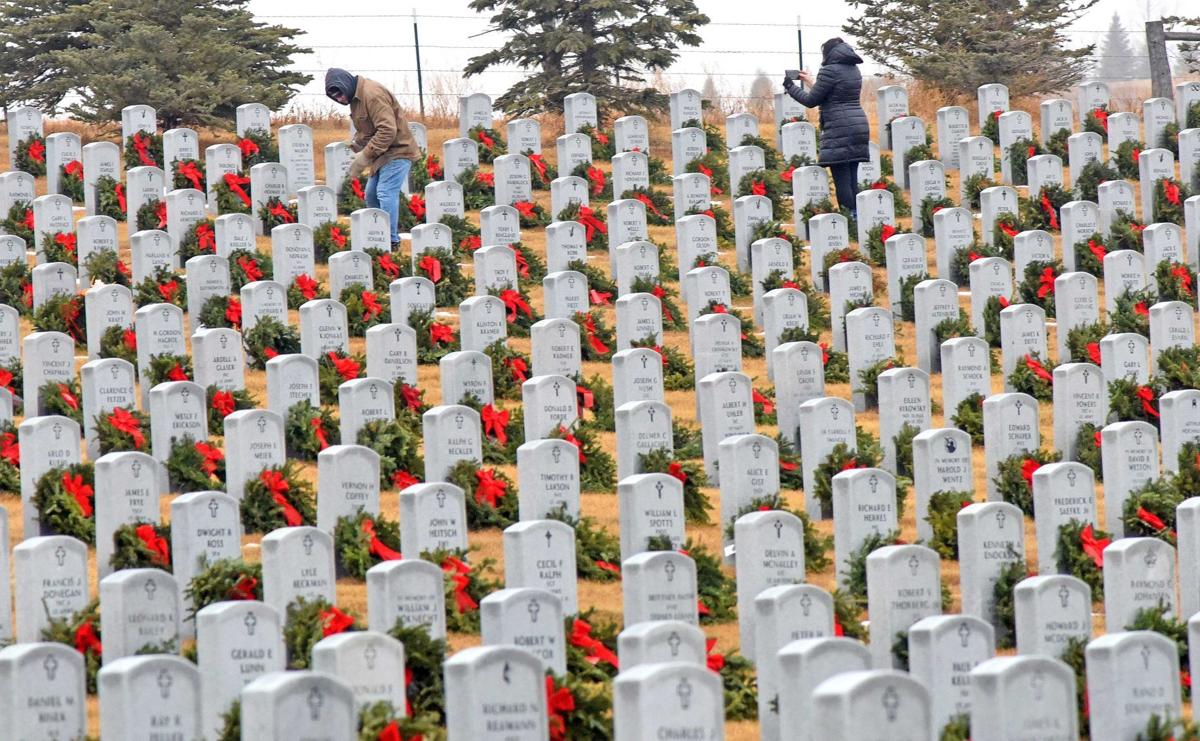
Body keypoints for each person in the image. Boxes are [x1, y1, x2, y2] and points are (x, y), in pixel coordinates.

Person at [325, 67, 419, 248]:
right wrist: (354, 146)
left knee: (385, 192)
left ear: (345, 85)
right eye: (335, 98)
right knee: (371, 194)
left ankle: (390, 240)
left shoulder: (372, 94)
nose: (340, 99)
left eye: (340, 94)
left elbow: (387, 130)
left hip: (399, 150)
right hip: (383, 153)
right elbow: (367, 130)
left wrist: (364, 157)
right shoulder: (355, 98)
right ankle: (376, 236)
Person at [782, 38, 870, 217]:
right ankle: (859, 217)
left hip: (839, 127)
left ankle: (850, 218)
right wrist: (808, 81)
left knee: (842, 178)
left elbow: (811, 100)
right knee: (852, 177)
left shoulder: (828, 70)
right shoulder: (853, 69)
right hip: (858, 124)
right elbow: (830, 95)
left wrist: (790, 87)